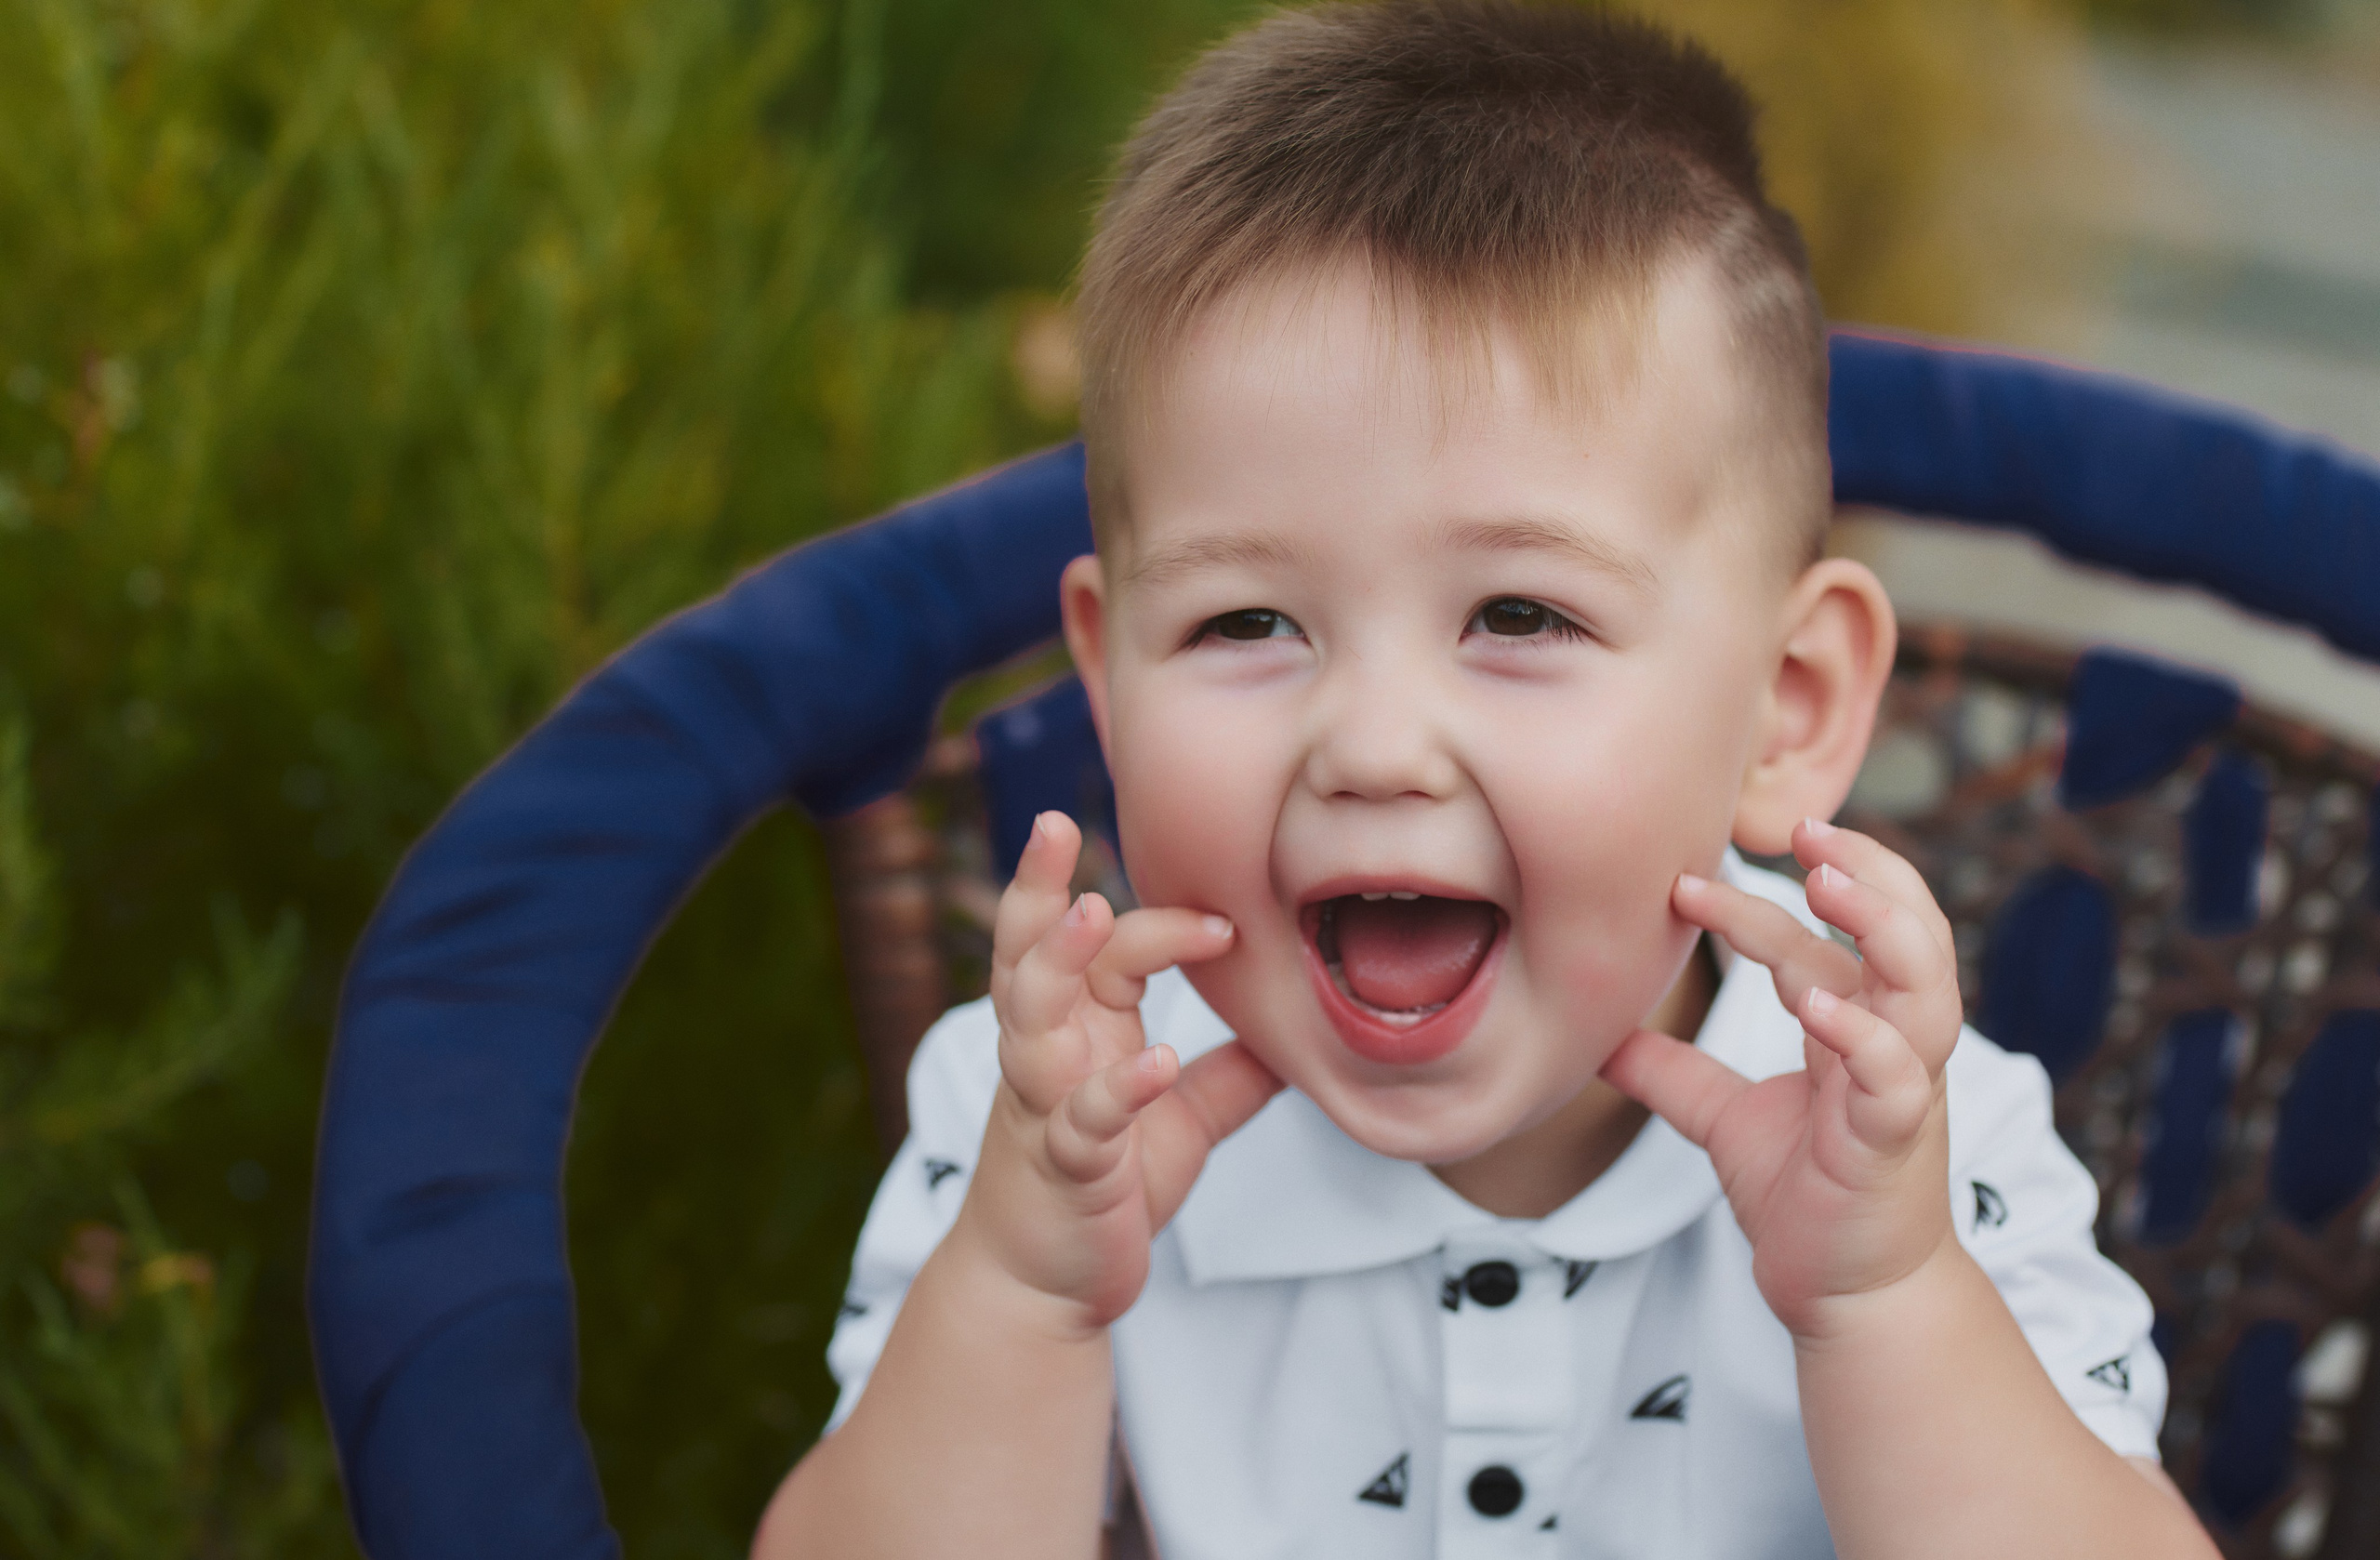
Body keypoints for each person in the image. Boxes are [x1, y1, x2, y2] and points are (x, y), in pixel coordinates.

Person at [755, 4, 2220, 1556]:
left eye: (1519, 613)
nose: (1374, 743)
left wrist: (1883, 1296)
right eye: (1247, 620)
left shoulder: (1923, 1148)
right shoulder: (1044, 1124)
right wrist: (1024, 1292)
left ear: (1785, 708)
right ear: (1109, 686)